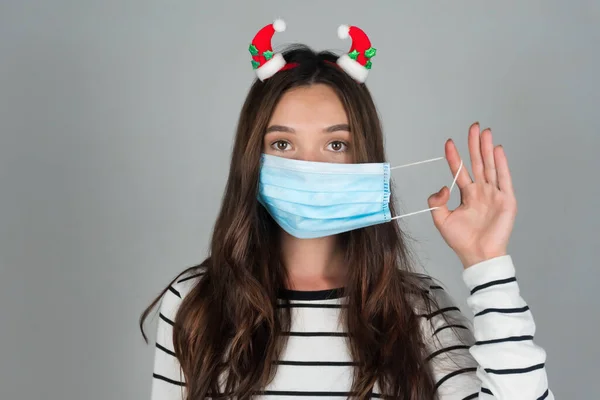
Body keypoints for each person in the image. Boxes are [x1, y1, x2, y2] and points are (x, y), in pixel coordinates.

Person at [139, 20, 553, 400]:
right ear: (252, 160)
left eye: (336, 145)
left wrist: (487, 263)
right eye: (282, 144)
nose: (309, 168)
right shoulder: (196, 304)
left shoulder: (419, 311)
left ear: (365, 158)